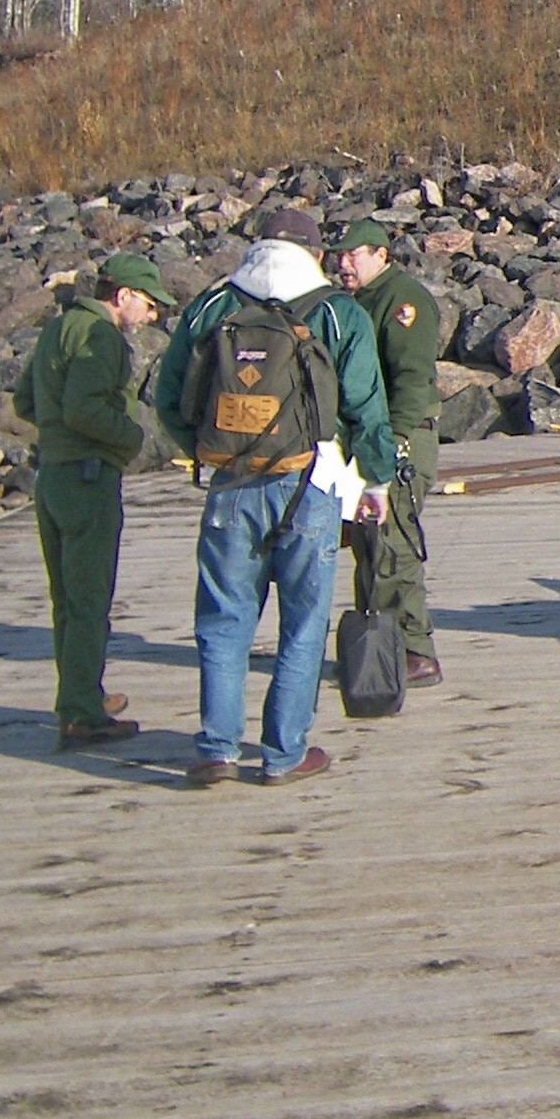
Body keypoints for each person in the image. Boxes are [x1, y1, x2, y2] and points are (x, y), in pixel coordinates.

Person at [152, 204, 396, 789]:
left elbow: (168, 400)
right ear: (316, 254)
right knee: (302, 624)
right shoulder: (337, 312)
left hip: (230, 485)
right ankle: (284, 753)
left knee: (223, 619)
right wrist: (376, 481)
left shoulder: (212, 306)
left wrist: (210, 451)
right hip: (311, 481)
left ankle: (216, 748)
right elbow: (366, 406)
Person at [18, 251, 175, 746]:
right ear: (122, 295)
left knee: (66, 601)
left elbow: (24, 401)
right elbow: (84, 410)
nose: (151, 316)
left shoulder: (57, 328)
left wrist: (56, 432)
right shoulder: (101, 336)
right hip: (88, 479)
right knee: (89, 601)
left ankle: (79, 693)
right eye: (148, 304)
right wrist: (131, 438)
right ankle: (83, 713)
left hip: (52, 476)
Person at [332, 217, 444, 687]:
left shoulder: (403, 300)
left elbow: (412, 380)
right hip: (366, 439)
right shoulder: (354, 302)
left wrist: (394, 442)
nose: (343, 264)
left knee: (394, 544)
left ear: (381, 255)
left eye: (353, 255)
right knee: (369, 544)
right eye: (339, 255)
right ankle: (379, 646)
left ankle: (415, 650)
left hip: (401, 437)